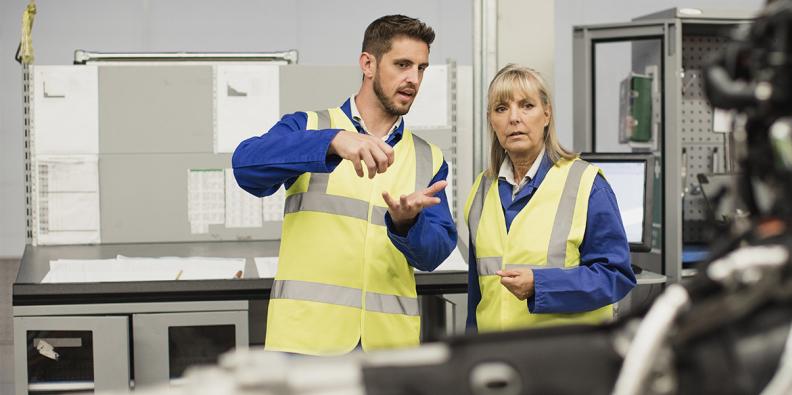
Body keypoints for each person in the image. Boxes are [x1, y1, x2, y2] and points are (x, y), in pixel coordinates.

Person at [232, 15, 456, 355]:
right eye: (402, 65)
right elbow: (246, 167)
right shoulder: (308, 126)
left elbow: (435, 254)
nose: (413, 79)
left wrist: (407, 224)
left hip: (390, 350)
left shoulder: (429, 157)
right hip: (306, 344)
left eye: (421, 68)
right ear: (368, 63)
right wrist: (333, 141)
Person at [464, 64, 636, 332]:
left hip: (561, 358)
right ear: (491, 120)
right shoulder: (481, 190)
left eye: (526, 105)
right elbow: (478, 294)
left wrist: (540, 285)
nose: (514, 118)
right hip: (499, 357)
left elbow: (616, 276)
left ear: (546, 114)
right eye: (501, 108)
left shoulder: (587, 185)